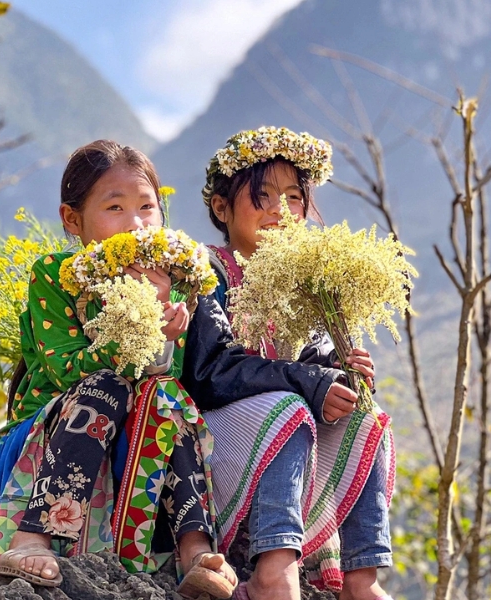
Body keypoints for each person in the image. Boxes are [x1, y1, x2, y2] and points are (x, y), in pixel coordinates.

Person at [0, 140, 351, 596]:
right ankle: (32, 538)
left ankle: (195, 550)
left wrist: (167, 326)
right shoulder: (55, 275)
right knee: (106, 386)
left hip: (133, 429)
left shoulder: (175, 278)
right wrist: (130, 337)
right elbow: (68, 372)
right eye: (115, 208)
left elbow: (169, 376)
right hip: (59, 427)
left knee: (169, 396)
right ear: (73, 220)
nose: (136, 223)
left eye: (147, 207)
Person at [187, 127, 395, 600]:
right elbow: (210, 372)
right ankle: (273, 571)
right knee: (289, 407)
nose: (281, 211)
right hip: (220, 433)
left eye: (294, 198)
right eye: (262, 196)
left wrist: (343, 376)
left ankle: (361, 579)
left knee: (369, 418)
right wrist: (310, 381)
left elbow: (313, 361)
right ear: (221, 208)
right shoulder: (205, 270)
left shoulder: (303, 281)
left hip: (286, 435)